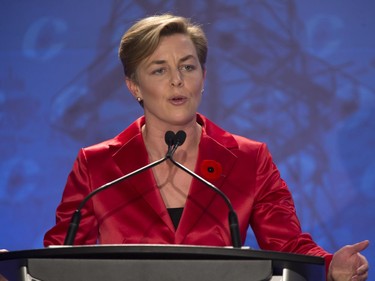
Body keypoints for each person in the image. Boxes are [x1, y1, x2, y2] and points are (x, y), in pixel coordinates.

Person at [43, 14, 369, 280]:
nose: (177, 80)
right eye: (159, 70)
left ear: (203, 76)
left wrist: (330, 267)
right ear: (134, 87)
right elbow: (61, 253)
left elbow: (287, 243)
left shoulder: (249, 158)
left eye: (187, 66)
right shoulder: (96, 164)